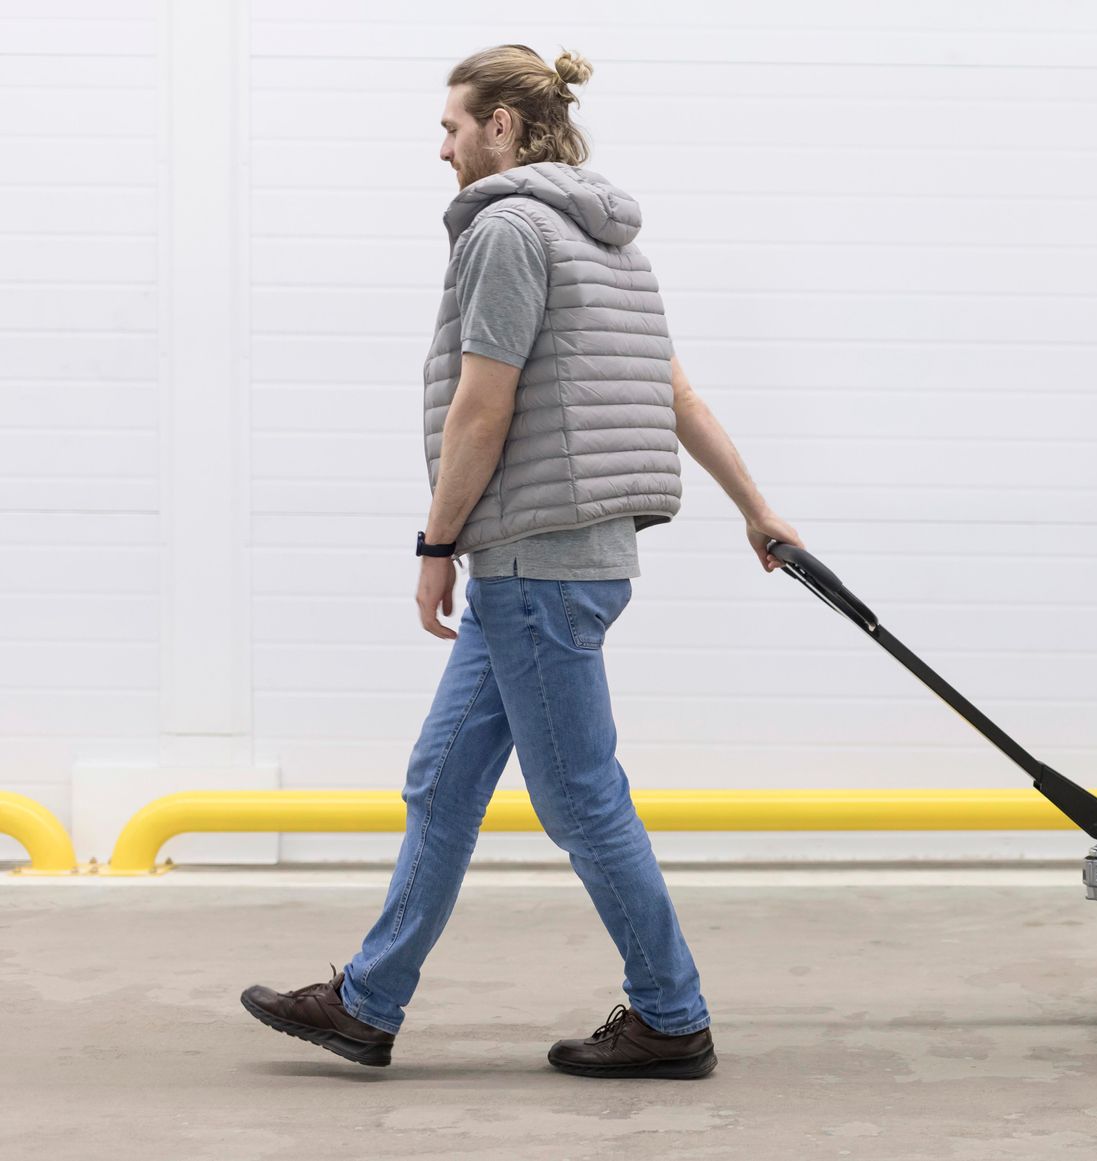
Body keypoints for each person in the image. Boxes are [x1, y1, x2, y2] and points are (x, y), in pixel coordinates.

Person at [239, 44, 803, 1078]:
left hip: (535, 562)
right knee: (444, 782)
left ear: (502, 126)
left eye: (452, 125)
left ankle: (672, 1017)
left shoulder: (505, 229)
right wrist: (756, 509)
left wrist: (436, 542)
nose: (441, 145)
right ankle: (367, 1003)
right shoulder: (611, 241)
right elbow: (677, 394)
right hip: (563, 560)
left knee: (581, 796)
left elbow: (482, 404)